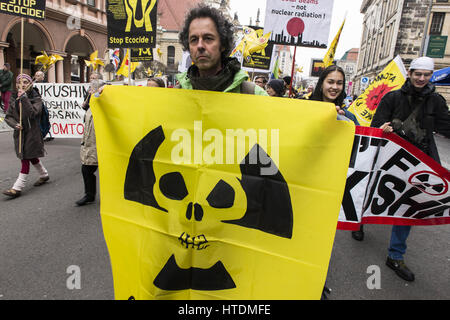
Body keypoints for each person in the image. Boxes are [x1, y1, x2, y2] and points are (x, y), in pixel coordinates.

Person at [351, 56, 450, 282]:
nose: (421, 79)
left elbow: (446, 126)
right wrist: (382, 128)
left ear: (430, 76)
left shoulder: (436, 101)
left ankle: (395, 256)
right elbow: (376, 125)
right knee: (375, 194)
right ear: (410, 73)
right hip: (388, 158)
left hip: (419, 163)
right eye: (418, 74)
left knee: (406, 207)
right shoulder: (392, 97)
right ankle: (359, 223)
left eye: (426, 75)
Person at [176, 4, 267, 96]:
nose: (200, 46)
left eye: (208, 38)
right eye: (194, 39)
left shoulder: (254, 94)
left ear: (223, 44)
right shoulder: (176, 96)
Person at [3, 74, 49, 198]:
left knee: (25, 158)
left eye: (25, 82)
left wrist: (24, 99)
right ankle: (44, 174)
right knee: (30, 156)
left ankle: (17, 187)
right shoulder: (13, 99)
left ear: (30, 84)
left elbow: (33, 113)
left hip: (32, 134)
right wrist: (15, 124)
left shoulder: (36, 98)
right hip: (20, 134)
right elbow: (8, 117)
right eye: (19, 82)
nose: (22, 84)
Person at [75, 72, 105, 206]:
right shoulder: (90, 105)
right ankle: (89, 195)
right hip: (91, 143)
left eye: (93, 89)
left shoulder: (105, 101)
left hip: (104, 144)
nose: (91, 91)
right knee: (86, 169)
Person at [34, 70, 54, 142]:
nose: (36, 77)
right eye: (36, 75)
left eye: (38, 76)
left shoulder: (47, 85)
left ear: (43, 77)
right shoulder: (32, 85)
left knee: (46, 120)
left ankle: (48, 134)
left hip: (46, 106)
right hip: (38, 106)